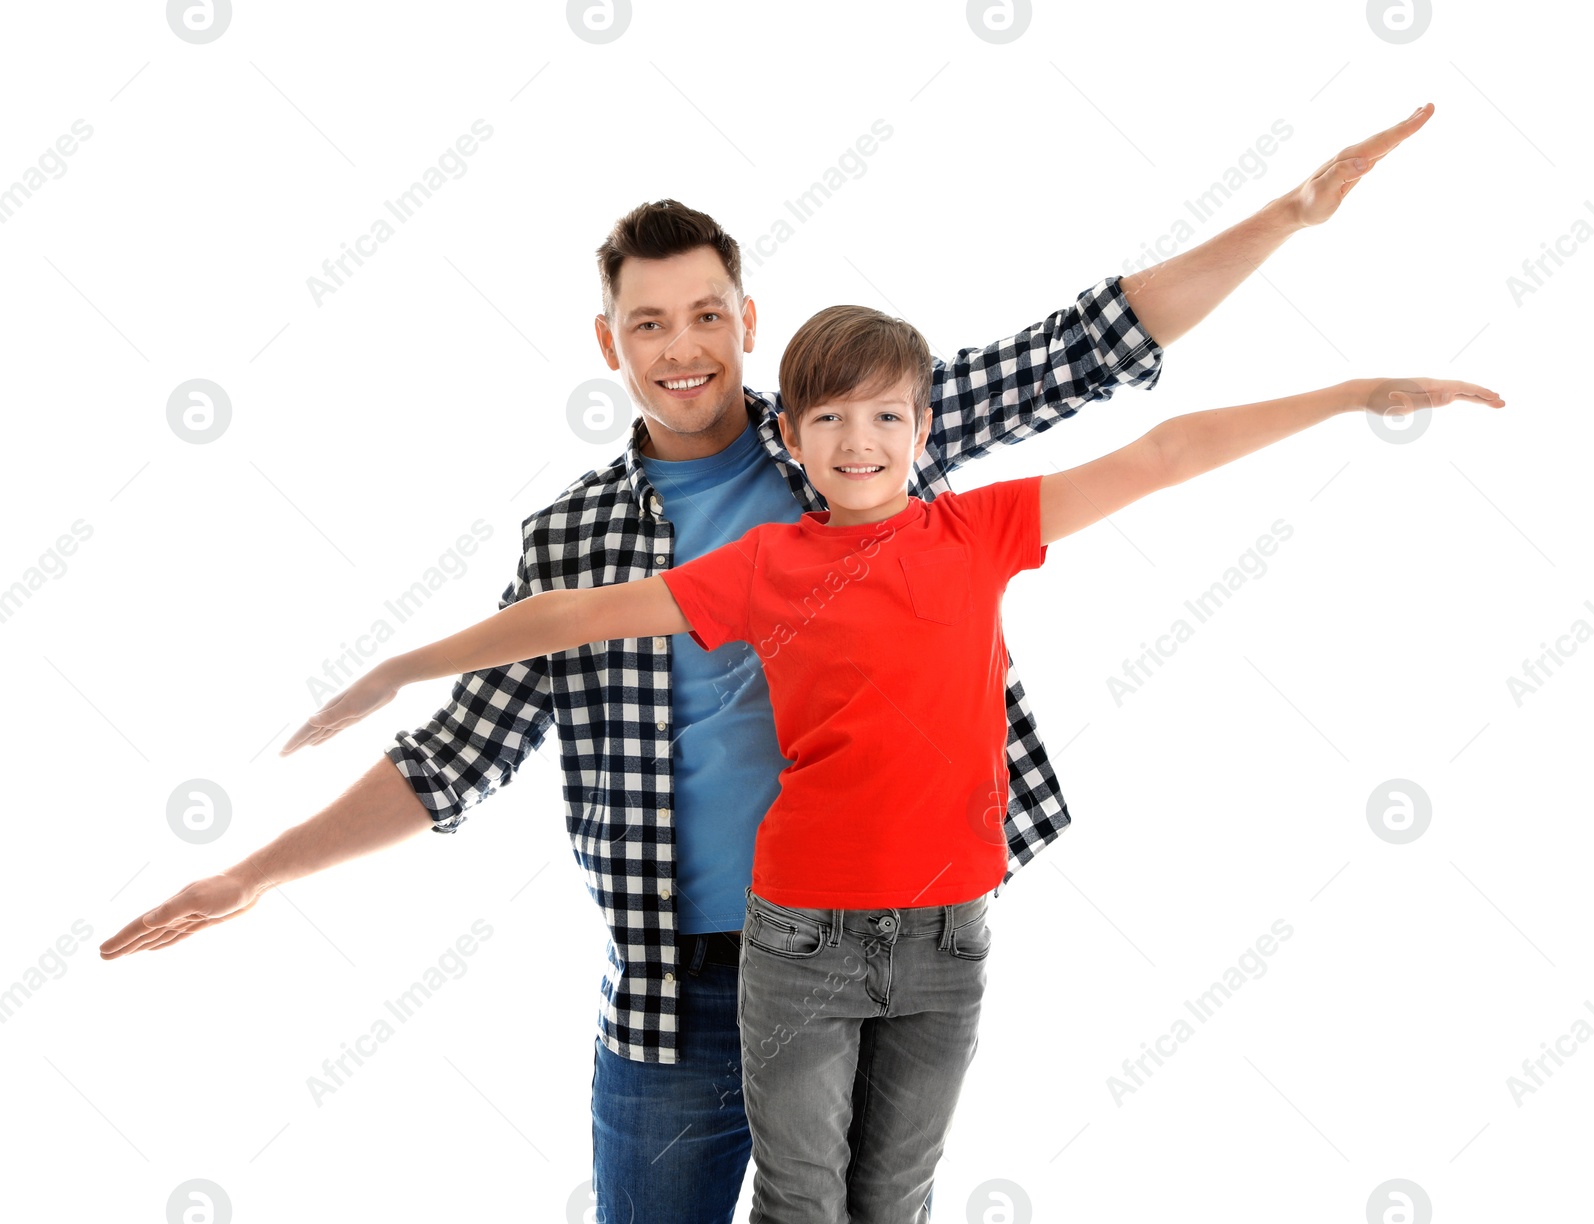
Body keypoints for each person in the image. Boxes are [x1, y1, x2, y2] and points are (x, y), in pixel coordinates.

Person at [101, 105, 1443, 1222]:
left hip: (890, 938)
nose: (680, 347)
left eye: (703, 315)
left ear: (747, 318)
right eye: (647, 324)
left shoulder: (853, 439)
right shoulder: (574, 538)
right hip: (676, 986)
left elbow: (1096, 350)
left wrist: (1291, 218)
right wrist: (256, 873)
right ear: (609, 344)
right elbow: (462, 754)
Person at [266, 301, 1501, 1220]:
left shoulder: (980, 529)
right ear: (791, 437)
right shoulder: (761, 568)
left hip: (946, 937)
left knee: (894, 1200)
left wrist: (1346, 395)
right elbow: (571, 616)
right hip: (797, 938)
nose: (860, 440)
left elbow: (1165, 451)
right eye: (830, 418)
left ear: (919, 426)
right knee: (803, 1203)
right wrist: (398, 667)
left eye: (886, 415)